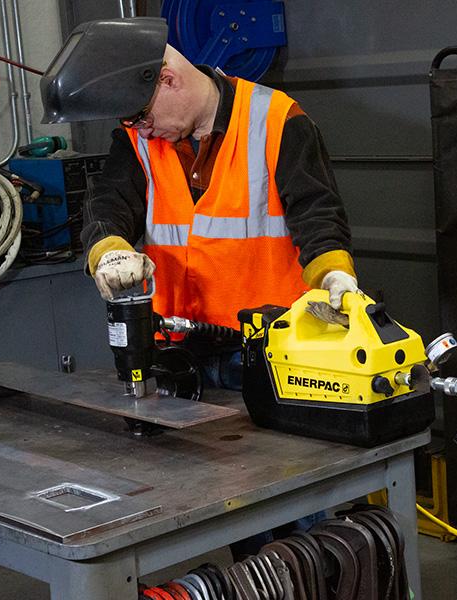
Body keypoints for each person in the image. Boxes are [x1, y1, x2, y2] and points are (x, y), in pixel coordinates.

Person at [40, 16, 356, 556]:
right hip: (183, 354)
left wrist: (334, 275)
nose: (140, 131)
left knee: (299, 511)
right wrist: (108, 249)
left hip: (267, 354)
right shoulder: (139, 140)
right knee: (239, 517)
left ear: (168, 79)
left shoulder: (277, 120)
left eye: (141, 117)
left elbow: (316, 212)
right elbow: (107, 203)